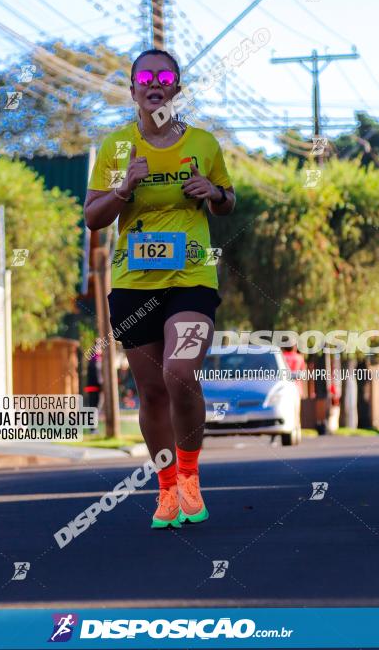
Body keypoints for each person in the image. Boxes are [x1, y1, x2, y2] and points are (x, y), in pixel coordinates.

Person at [84, 49, 235, 528]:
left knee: (180, 372)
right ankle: (167, 488)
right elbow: (92, 217)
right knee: (150, 394)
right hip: (133, 283)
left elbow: (228, 201)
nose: (155, 83)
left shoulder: (205, 145)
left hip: (191, 278)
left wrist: (213, 193)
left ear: (176, 89)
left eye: (165, 76)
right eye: (144, 77)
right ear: (132, 90)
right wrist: (123, 189)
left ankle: (189, 476)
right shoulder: (116, 149)